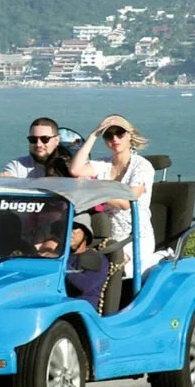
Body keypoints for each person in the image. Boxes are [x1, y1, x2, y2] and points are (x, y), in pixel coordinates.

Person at [69, 114, 156, 277]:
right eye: (109, 135)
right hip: (104, 236)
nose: (115, 139)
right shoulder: (102, 164)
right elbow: (75, 170)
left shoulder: (142, 167)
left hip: (135, 237)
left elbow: (126, 202)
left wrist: (94, 188)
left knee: (113, 268)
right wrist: (93, 135)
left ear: (129, 135)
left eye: (120, 133)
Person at [64, 213, 109, 311]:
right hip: (58, 306)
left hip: (81, 312)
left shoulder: (95, 258)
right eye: (66, 227)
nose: (69, 231)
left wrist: (61, 264)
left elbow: (85, 285)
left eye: (74, 227)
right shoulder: (57, 255)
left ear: (86, 233)